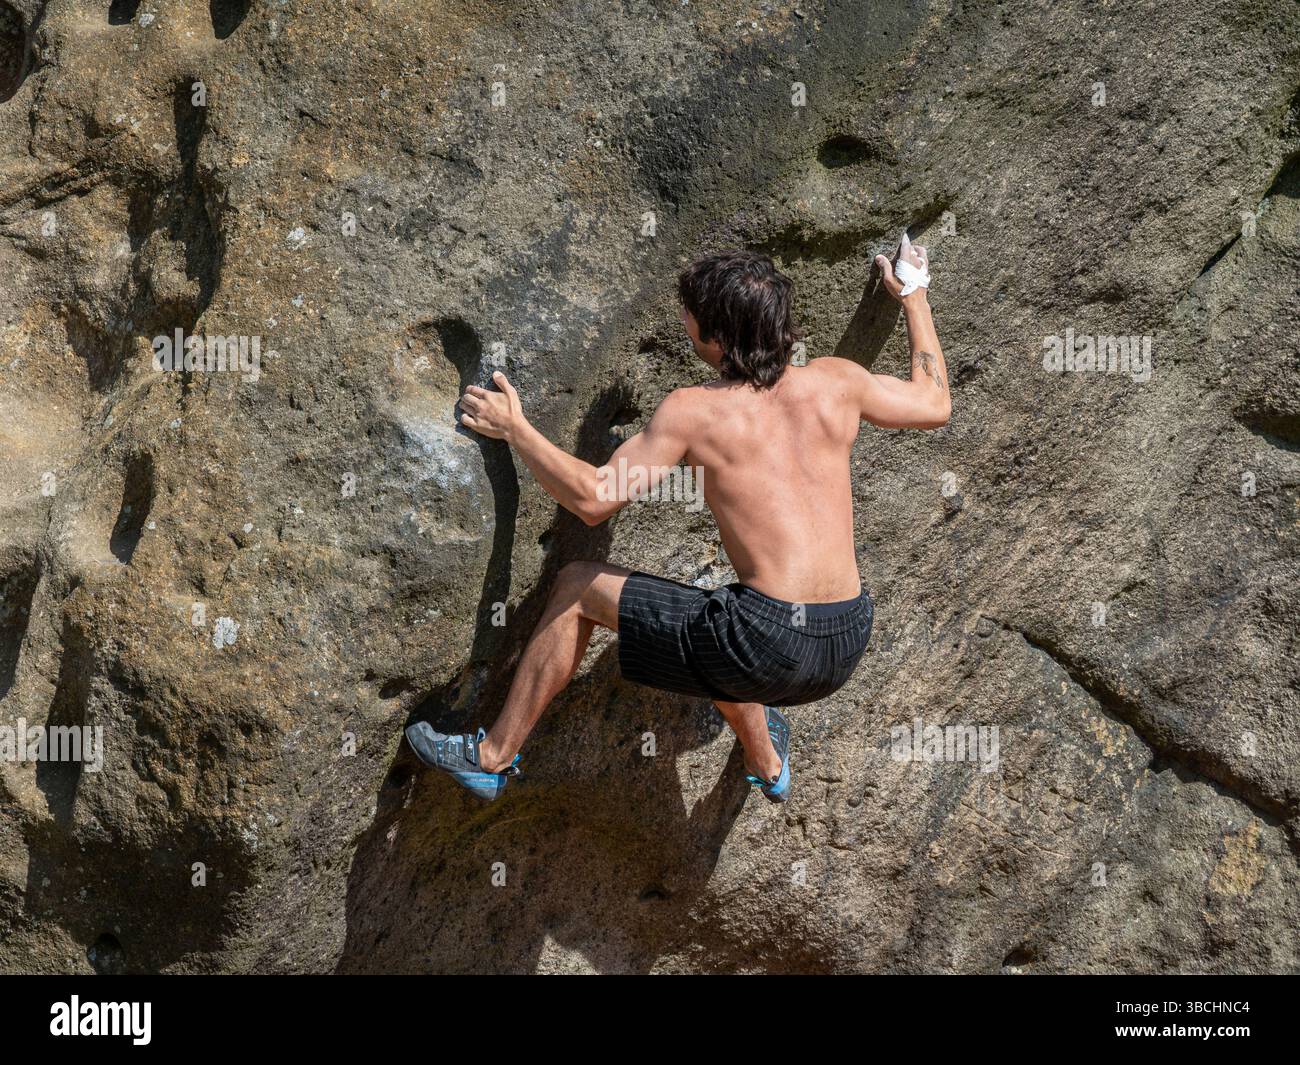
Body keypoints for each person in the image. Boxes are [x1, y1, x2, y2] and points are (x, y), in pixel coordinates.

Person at [406, 235, 950, 802]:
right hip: (846, 638)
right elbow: (934, 403)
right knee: (721, 615)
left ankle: (491, 757)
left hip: (764, 643)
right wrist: (912, 293)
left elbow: (593, 499)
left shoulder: (693, 412)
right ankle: (768, 762)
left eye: (688, 315)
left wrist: (516, 429)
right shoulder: (840, 381)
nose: (683, 319)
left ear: (713, 337)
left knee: (576, 588)